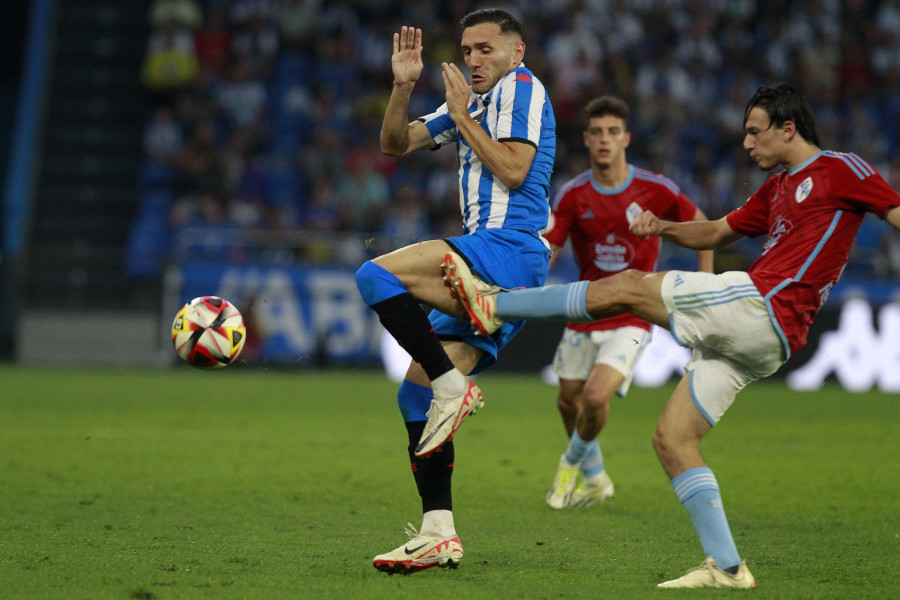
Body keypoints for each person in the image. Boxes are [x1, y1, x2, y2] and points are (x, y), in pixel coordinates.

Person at [444, 82, 900, 588]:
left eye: (754, 132)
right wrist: (661, 227)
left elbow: (893, 210)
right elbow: (715, 231)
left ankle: (493, 304)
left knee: (625, 287)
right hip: (767, 341)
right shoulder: (775, 189)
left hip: (764, 304)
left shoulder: (841, 169)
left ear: (787, 128)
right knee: (672, 439)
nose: (747, 145)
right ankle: (727, 567)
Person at [354, 8, 555, 574]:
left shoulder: (522, 89)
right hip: (490, 260)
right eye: (468, 49)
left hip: (508, 250)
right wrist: (402, 86)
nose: (474, 59)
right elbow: (396, 144)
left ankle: (452, 387)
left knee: (376, 275)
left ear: (516, 53)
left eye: (486, 48)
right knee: (414, 395)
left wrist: (464, 118)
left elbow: (515, 172)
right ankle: (437, 532)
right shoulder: (471, 102)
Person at [542, 96, 713, 511]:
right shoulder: (573, 195)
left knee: (596, 398)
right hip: (585, 311)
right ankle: (597, 479)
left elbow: (704, 225)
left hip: (633, 315)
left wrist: (705, 283)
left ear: (626, 138)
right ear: (586, 139)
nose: (605, 140)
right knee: (569, 400)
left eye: (613, 132)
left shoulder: (655, 189)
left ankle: (569, 467)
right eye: (597, 132)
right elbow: (550, 246)